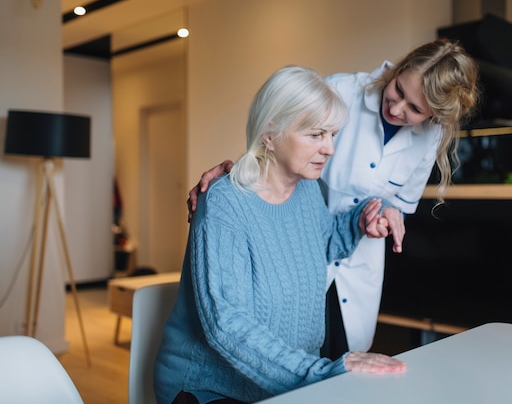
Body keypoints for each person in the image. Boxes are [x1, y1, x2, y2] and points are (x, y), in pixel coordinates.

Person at [187, 38, 480, 359]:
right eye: (398, 90)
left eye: (414, 109)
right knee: (281, 350)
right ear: (398, 70)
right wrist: (238, 170)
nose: (396, 109)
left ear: (433, 117)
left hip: (353, 254)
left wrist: (385, 213)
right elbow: (278, 134)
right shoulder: (341, 91)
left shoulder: (429, 137)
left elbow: (398, 203)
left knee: (338, 357)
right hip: (295, 249)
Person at [154, 65, 406, 404]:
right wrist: (316, 374)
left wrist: (363, 220)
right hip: (210, 386)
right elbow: (226, 324)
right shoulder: (223, 203)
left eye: (332, 134)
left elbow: (324, 243)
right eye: (316, 135)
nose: (329, 148)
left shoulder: (306, 191)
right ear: (270, 133)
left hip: (285, 382)